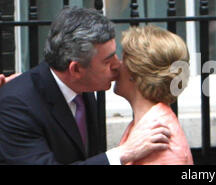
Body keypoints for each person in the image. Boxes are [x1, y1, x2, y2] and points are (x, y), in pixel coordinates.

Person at [0, 7, 172, 165]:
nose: (118, 65)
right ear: (75, 69)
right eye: (107, 60)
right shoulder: (16, 107)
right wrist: (122, 153)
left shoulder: (82, 86)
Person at [114, 25, 193, 165]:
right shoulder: (150, 125)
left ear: (134, 73)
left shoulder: (159, 139)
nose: (117, 65)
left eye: (123, 59)